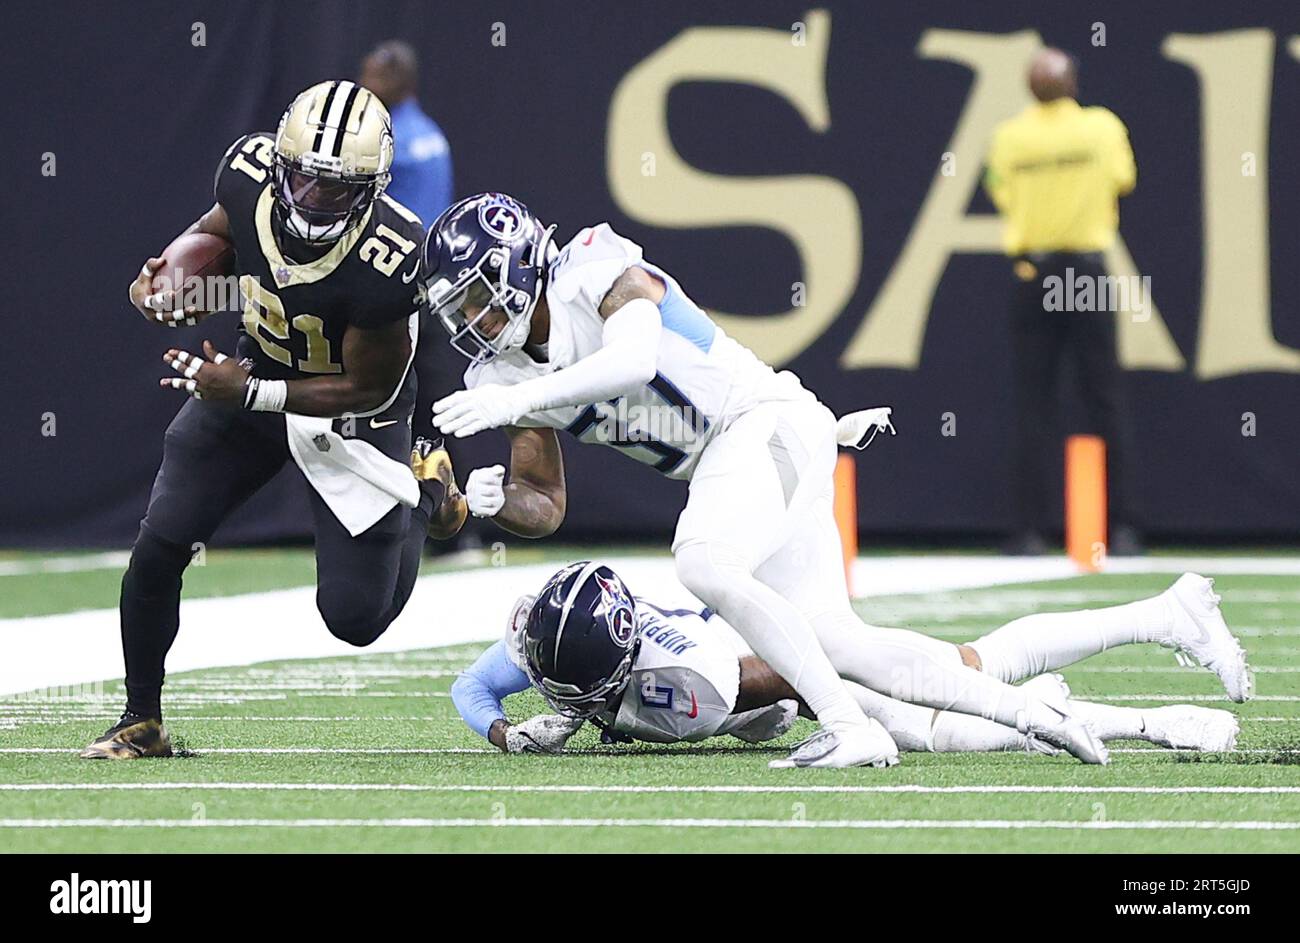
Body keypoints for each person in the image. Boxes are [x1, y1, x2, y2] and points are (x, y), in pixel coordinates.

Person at [418, 193, 1237, 768]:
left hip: (761, 421)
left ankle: (850, 727)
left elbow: (630, 358)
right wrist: (488, 501)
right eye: (461, 312)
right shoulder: (502, 374)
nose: (475, 324)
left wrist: (520, 399)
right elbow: (544, 504)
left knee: (703, 561)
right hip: (737, 464)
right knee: (846, 646)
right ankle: (1104, 662)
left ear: (520, 264)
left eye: (480, 300)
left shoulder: (592, 264)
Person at [81, 80, 465, 760]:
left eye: (335, 188)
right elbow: (214, 236)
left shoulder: (392, 254)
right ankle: (141, 716)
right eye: (303, 179)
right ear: (280, 163)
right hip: (251, 381)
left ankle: (426, 487)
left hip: (354, 416)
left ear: (371, 190)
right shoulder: (247, 171)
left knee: (355, 618)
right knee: (160, 541)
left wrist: (252, 390)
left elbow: (365, 384)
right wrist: (170, 281)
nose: (313, 199)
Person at [452, 562, 1242, 756]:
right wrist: (505, 732)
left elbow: (786, 682)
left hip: (801, 656)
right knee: (983, 670)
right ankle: (1159, 615)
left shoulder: (686, 680)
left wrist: (865, 702)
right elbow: (472, 685)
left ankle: (1151, 707)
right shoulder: (560, 632)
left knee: (960, 701)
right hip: (775, 642)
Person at [985, 48, 1142, 556]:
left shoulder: (1010, 136)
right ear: (1073, 84)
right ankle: (1122, 529)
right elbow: (1124, 180)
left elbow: (1001, 192)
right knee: (1104, 398)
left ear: (1030, 88)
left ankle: (1031, 532)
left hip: (1034, 268)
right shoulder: (1100, 129)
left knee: (1035, 403)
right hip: (1086, 270)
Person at [359, 40, 454, 225]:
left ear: (397, 82)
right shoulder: (430, 130)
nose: (363, 84)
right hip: (431, 243)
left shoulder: (385, 139)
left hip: (406, 247)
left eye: (376, 78)